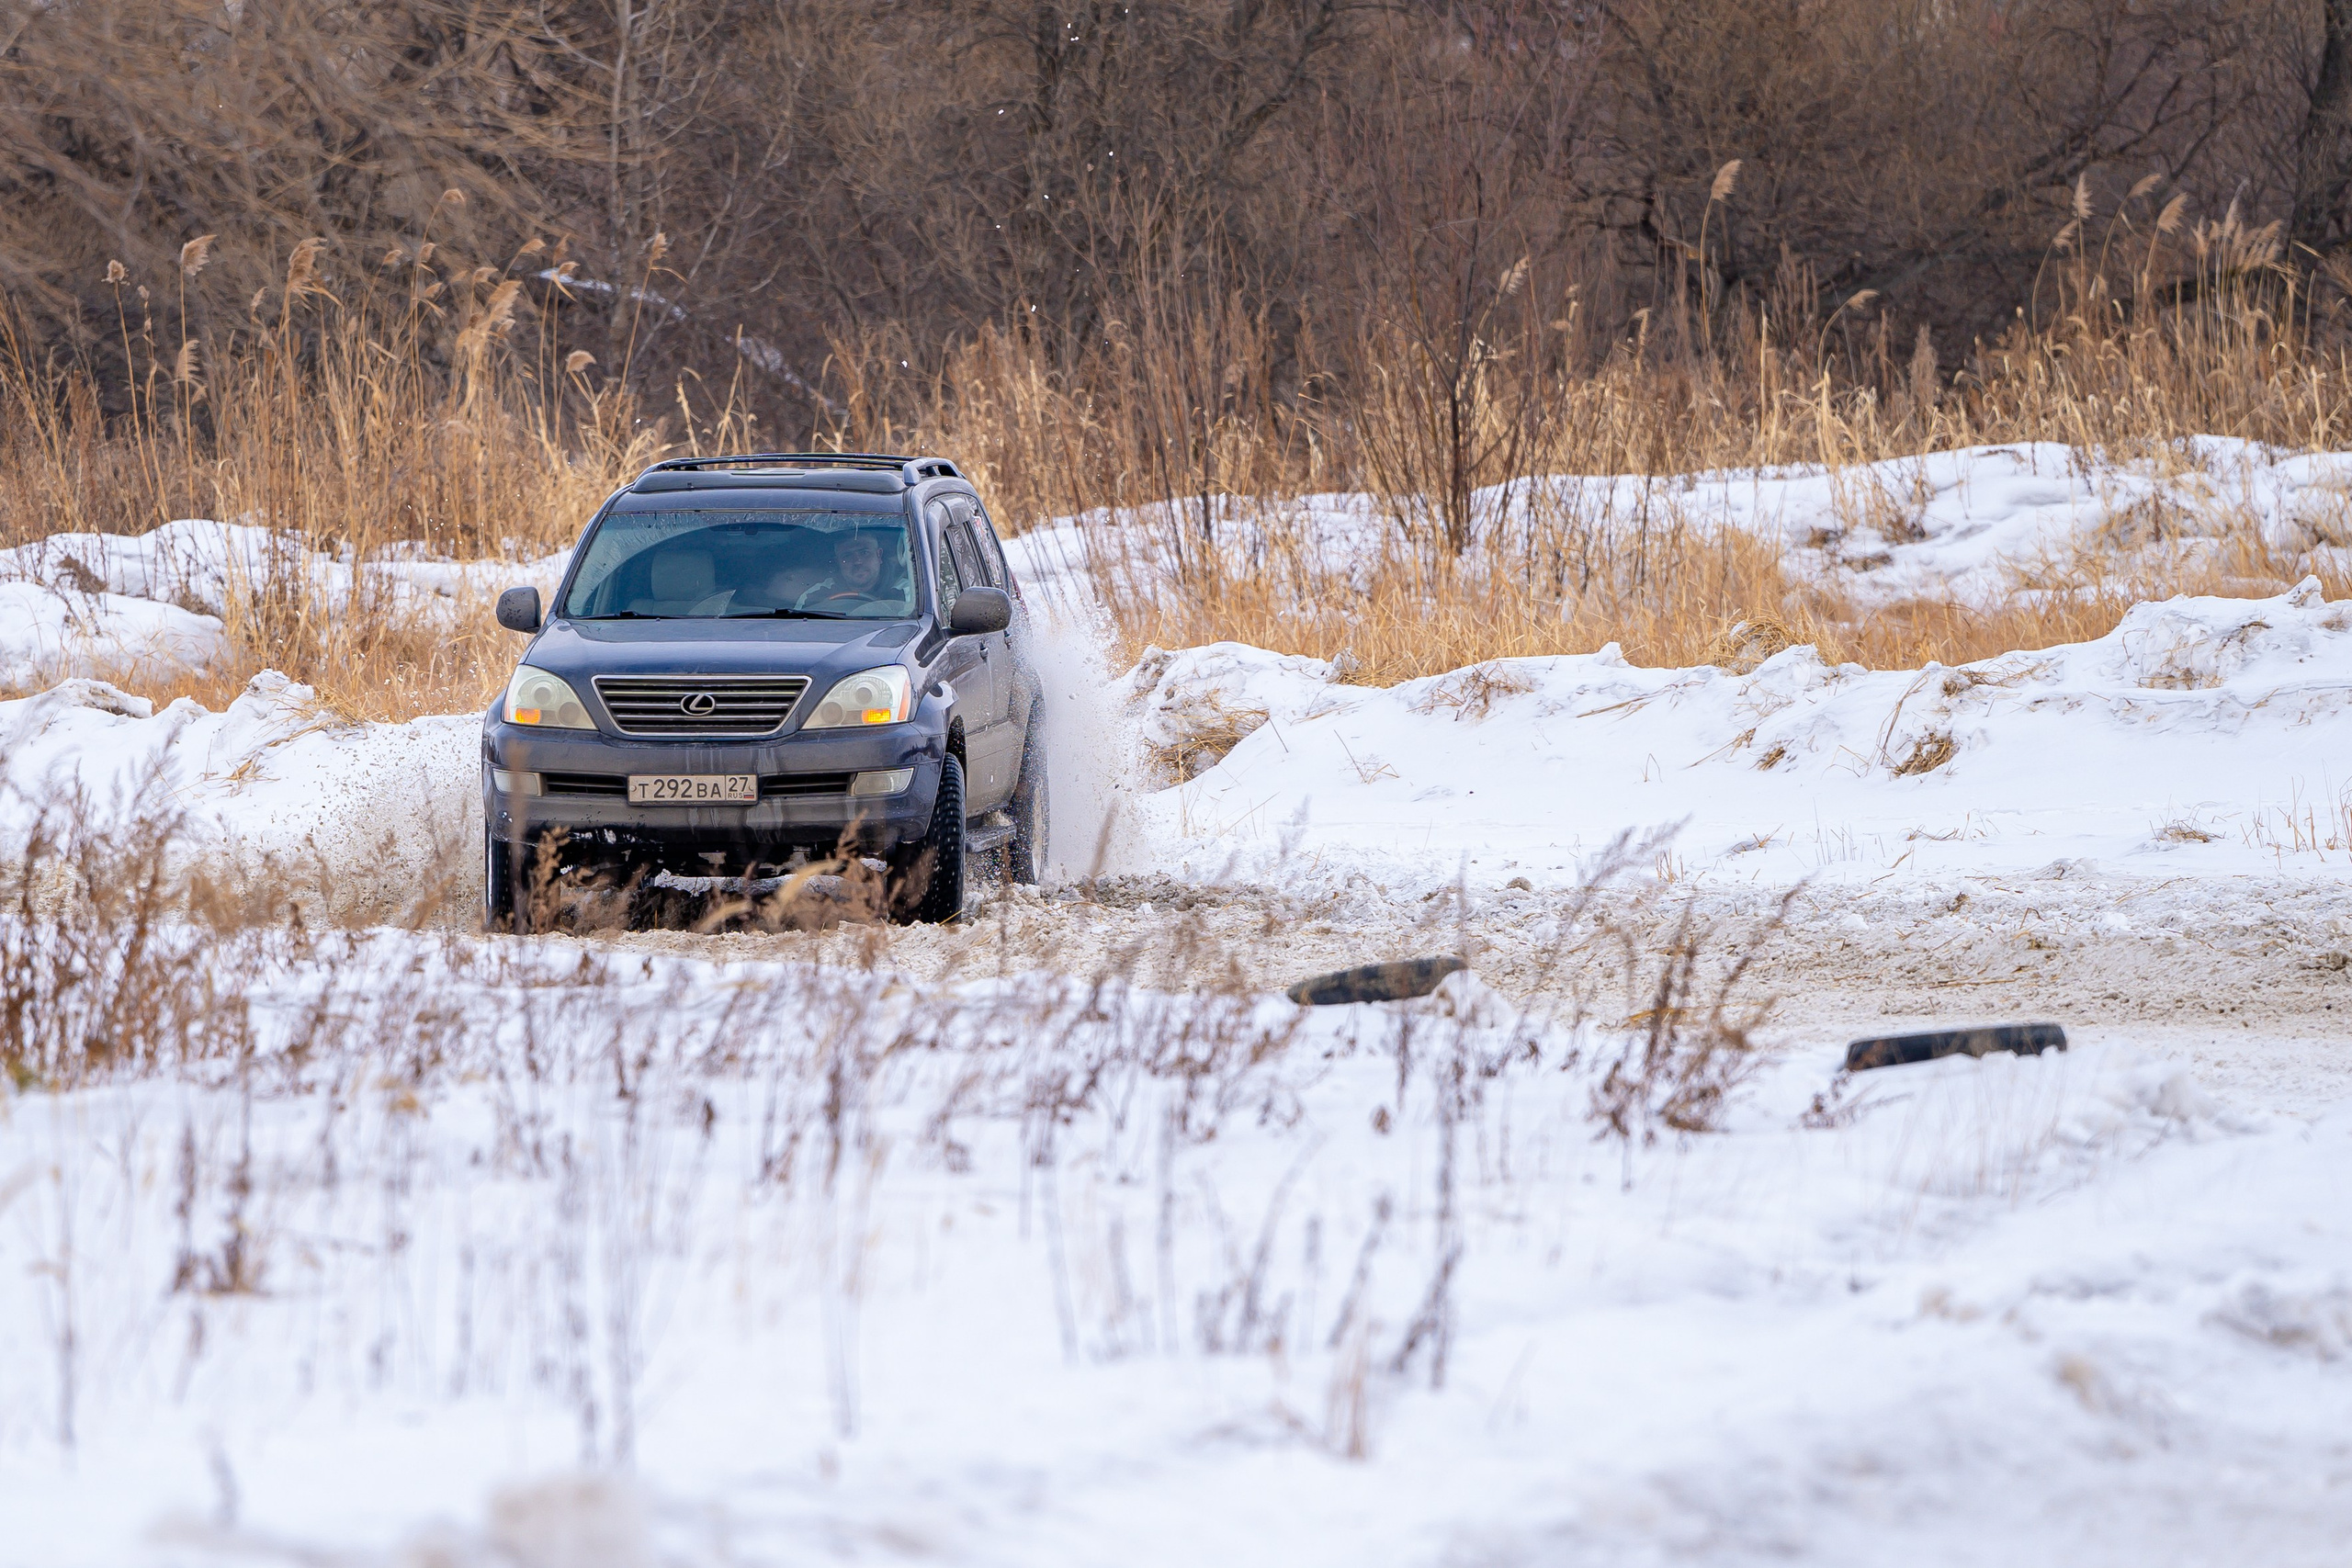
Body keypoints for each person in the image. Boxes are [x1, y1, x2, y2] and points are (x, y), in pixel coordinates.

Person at [795, 529, 897, 610]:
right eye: (847, 556)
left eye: (864, 553)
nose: (857, 561)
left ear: (879, 555)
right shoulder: (814, 596)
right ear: (838, 562)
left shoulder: (907, 594)